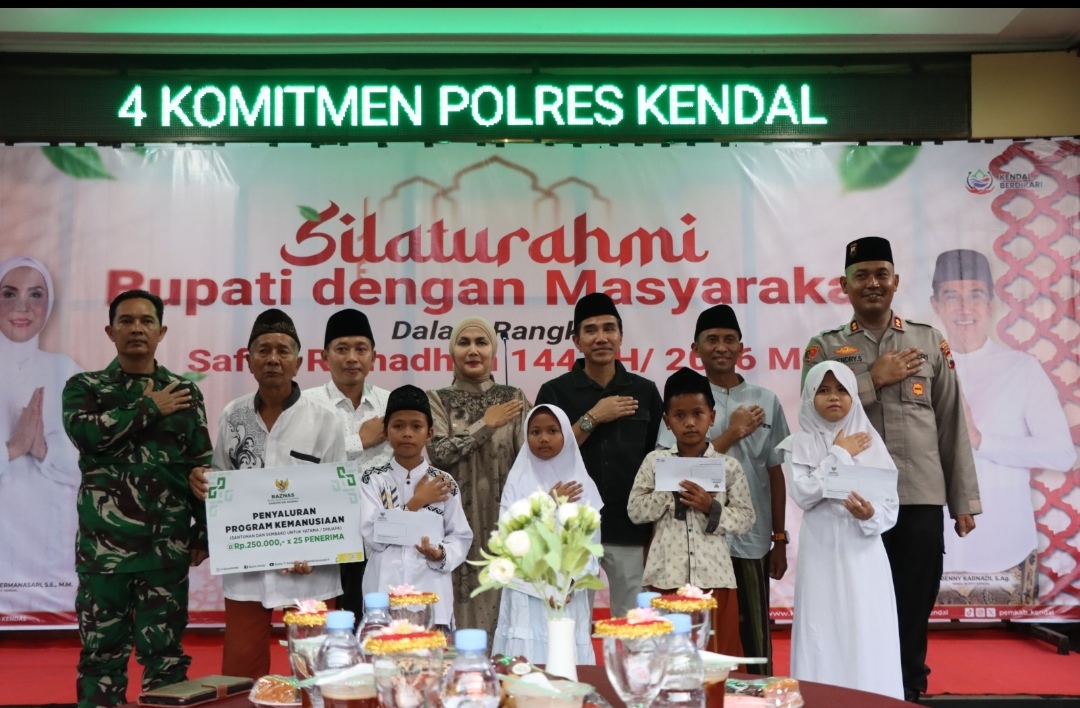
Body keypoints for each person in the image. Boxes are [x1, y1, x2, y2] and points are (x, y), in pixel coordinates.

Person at [803, 236, 980, 702]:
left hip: (919, 495)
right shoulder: (826, 347)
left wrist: (963, 500)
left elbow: (951, 422)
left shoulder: (928, 341)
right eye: (861, 275)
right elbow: (813, 415)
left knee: (913, 602)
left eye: (881, 274)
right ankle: (858, 689)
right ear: (844, 285)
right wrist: (872, 379)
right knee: (857, 604)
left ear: (896, 281)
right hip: (853, 501)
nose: (873, 283)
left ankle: (907, 690)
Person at [62, 289, 211, 708]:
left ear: (161, 332)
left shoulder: (183, 392)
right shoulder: (85, 387)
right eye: (126, 321)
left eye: (146, 321)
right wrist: (150, 407)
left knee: (166, 660)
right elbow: (87, 435)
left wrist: (203, 532)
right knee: (101, 659)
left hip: (166, 551)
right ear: (110, 332)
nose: (136, 328)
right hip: (104, 553)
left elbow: (201, 467)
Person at [204, 308, 345, 680]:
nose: (273, 359)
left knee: (314, 667)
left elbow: (338, 495)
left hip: (310, 569)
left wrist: (318, 550)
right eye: (263, 350)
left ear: (299, 362)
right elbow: (221, 481)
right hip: (246, 566)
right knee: (241, 668)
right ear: (248, 361)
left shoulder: (325, 418)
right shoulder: (232, 416)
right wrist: (204, 483)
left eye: (283, 351)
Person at [930, 249, 1075, 603]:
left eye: (975, 295)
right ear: (935, 305)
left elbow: (1062, 454)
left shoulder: (1021, 368)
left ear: (991, 303)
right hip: (934, 552)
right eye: (952, 296)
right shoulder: (919, 369)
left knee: (1007, 638)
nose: (964, 307)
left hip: (1006, 554)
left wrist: (981, 440)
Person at [658, 304, 790, 674]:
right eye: (711, 339)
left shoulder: (766, 400)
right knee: (702, 635)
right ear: (695, 349)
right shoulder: (686, 401)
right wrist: (733, 432)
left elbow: (775, 472)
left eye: (729, 339)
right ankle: (700, 695)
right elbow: (671, 473)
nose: (721, 347)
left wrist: (779, 539)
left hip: (751, 538)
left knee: (754, 636)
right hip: (695, 541)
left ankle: (758, 696)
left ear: (741, 348)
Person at [780, 361, 903, 699]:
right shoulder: (797, 444)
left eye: (841, 390)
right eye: (823, 390)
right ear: (809, 397)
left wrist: (869, 514)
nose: (833, 397)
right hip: (821, 551)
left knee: (866, 627)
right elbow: (805, 494)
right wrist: (839, 454)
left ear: (853, 396)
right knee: (822, 627)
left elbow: (890, 507)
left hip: (863, 552)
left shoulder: (870, 442)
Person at [536, 293, 663, 618]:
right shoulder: (554, 391)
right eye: (591, 330)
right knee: (569, 623)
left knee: (635, 624)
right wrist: (593, 417)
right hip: (572, 529)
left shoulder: (644, 391)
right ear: (577, 340)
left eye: (609, 328)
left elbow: (659, 461)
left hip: (631, 528)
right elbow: (544, 455)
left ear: (620, 336)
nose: (601, 337)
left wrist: (656, 528)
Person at [627, 367, 754, 656]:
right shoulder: (655, 462)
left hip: (715, 578)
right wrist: (669, 495)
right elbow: (635, 511)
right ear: (667, 421)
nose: (689, 423)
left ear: (712, 416)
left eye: (698, 414)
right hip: (665, 577)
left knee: (718, 656)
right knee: (666, 656)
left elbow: (746, 519)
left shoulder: (727, 466)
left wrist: (711, 508)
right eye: (679, 415)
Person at [426, 316, 528, 633]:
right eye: (464, 342)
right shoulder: (437, 399)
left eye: (481, 342)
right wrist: (487, 424)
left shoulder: (513, 397)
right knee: (458, 606)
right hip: (454, 521)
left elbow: (528, 460)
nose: (473, 350)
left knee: (506, 600)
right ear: (451, 351)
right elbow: (439, 453)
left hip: (503, 519)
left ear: (493, 351)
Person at [491, 404, 604, 664]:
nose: (543, 438)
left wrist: (572, 582)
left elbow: (591, 544)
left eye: (553, 431)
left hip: (567, 590)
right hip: (525, 589)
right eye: (535, 432)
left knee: (564, 658)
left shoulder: (581, 484)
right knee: (525, 660)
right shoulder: (517, 481)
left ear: (566, 435)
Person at [0, 256, 81, 614]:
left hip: (50, 539)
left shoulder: (66, 371)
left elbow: (90, 463)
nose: (23, 307)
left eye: (35, 294)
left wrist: (44, 450)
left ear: (49, 305)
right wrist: (12, 448)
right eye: (9, 293)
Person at [359, 384, 473, 633]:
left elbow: (461, 537)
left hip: (431, 591)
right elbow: (372, 535)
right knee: (384, 656)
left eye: (416, 426)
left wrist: (440, 554)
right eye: (398, 426)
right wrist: (416, 502)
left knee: (431, 657)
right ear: (386, 432)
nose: (407, 433)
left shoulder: (444, 483)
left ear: (429, 433)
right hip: (384, 593)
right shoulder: (372, 479)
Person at [303, 308, 392, 624]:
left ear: (374, 357)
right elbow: (302, 466)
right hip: (322, 530)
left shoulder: (390, 404)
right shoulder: (305, 404)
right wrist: (359, 440)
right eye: (342, 349)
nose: (352, 357)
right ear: (324, 357)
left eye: (360, 349)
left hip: (377, 536)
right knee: (320, 627)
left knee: (371, 624)